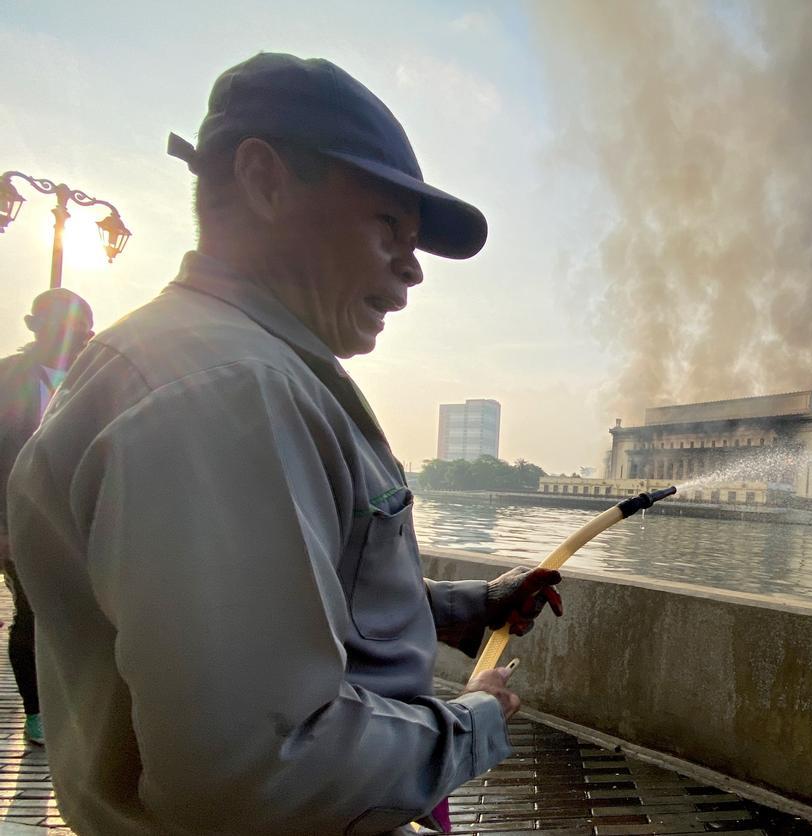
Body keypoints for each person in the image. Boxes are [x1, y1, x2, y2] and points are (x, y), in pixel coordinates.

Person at [7, 53, 562, 835]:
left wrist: (461, 610)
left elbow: (284, 607)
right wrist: (472, 723)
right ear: (266, 181)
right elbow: (261, 769)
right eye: (388, 227)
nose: (412, 270)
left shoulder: (212, 362)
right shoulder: (227, 393)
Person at [0, 288, 93, 747]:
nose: (78, 337)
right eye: (69, 327)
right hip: (20, 521)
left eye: (84, 330)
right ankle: (37, 713)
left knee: (82, 614)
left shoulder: (95, 378)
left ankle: (74, 705)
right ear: (35, 327)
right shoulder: (7, 379)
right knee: (32, 614)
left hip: (80, 523)